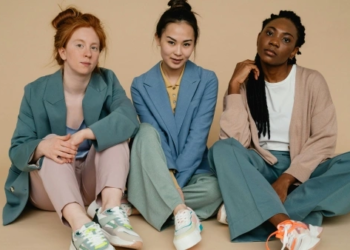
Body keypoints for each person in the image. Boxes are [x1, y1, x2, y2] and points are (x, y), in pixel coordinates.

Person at [2, 7, 143, 250]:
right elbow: (16, 150)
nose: (87, 53)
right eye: (79, 45)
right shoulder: (35, 91)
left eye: (94, 47)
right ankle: (81, 228)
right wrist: (42, 147)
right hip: (50, 189)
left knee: (114, 135)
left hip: (91, 186)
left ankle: (110, 213)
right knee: (53, 143)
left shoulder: (107, 80)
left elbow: (128, 118)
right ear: (62, 51)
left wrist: (88, 133)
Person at [208, 10, 350, 250]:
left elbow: (324, 139)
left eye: (286, 39)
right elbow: (235, 142)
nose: (274, 41)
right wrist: (233, 86)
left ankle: (248, 212)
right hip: (259, 166)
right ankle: (287, 225)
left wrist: (287, 178)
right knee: (222, 149)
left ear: (294, 51)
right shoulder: (244, 82)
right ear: (259, 37)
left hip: (303, 167)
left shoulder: (311, 80)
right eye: (270, 33)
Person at [128, 0, 222, 249]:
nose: (178, 52)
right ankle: (180, 211)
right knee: (145, 132)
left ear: (194, 44)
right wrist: (168, 181)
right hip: (157, 168)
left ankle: (139, 205)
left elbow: (198, 137)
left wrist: (174, 185)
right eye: (171, 42)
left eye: (186, 44)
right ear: (158, 38)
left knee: (215, 190)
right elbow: (154, 138)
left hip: (192, 170)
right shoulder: (140, 84)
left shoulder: (207, 80)